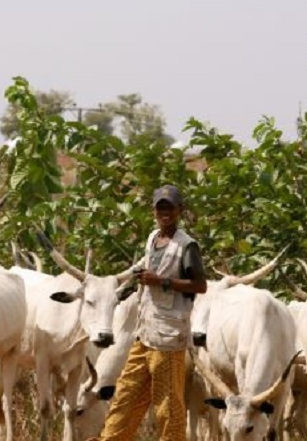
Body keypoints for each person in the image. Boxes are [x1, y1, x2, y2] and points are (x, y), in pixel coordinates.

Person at [93, 184, 207, 441]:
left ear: (180, 210)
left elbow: (200, 285)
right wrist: (136, 281)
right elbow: (150, 272)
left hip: (168, 339)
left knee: (168, 407)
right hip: (144, 334)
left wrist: (161, 281)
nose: (165, 212)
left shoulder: (187, 246)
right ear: (154, 210)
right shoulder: (152, 238)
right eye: (160, 207)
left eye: (170, 207)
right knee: (125, 394)